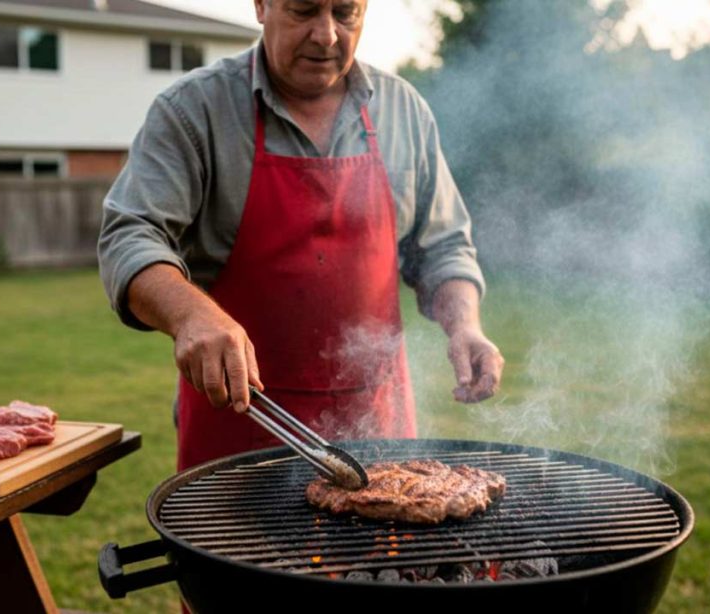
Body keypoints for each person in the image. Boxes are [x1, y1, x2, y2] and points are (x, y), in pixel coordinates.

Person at [98, 0, 504, 471]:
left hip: (378, 439)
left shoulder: (403, 110)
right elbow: (130, 234)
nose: (327, 34)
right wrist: (191, 315)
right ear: (261, 6)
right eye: (305, 10)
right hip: (239, 431)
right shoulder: (194, 111)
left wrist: (465, 326)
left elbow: (444, 248)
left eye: (345, 12)